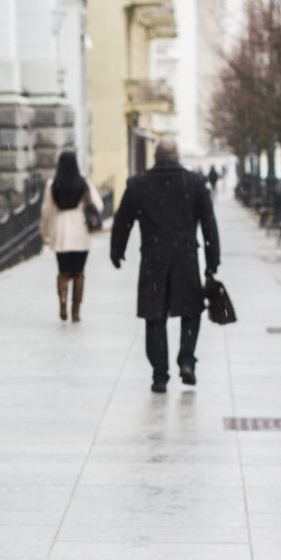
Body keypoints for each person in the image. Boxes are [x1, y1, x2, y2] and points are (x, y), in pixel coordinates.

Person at [110, 138, 220, 393]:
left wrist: (117, 251)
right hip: (185, 258)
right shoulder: (194, 183)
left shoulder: (138, 184)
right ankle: (186, 360)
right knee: (191, 311)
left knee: (154, 315)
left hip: (153, 259)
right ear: (178, 155)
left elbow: (122, 220)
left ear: (155, 156)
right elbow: (209, 225)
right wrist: (212, 262)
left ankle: (160, 374)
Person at [40, 150, 104, 322]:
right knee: (79, 273)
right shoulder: (83, 183)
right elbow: (99, 204)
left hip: (60, 235)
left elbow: (46, 211)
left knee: (63, 272)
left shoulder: (52, 184)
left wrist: (44, 232)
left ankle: (62, 302)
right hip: (80, 234)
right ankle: (75, 311)